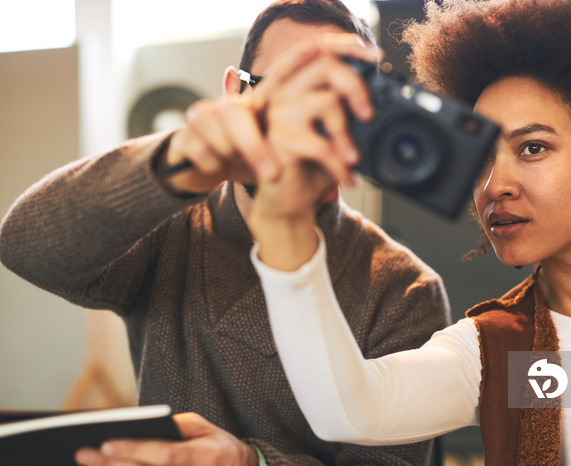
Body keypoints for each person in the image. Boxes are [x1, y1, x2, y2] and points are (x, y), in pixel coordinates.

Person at [242, 0, 571, 464]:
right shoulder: (498, 350)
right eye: (481, 157)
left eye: (533, 148)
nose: (494, 185)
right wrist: (285, 231)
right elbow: (350, 409)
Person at [0, 1, 451, 465]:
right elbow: (24, 246)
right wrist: (179, 161)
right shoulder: (171, 229)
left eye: (332, 99)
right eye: (288, 92)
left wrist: (250, 462)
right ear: (236, 92)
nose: (307, 121)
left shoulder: (402, 288)